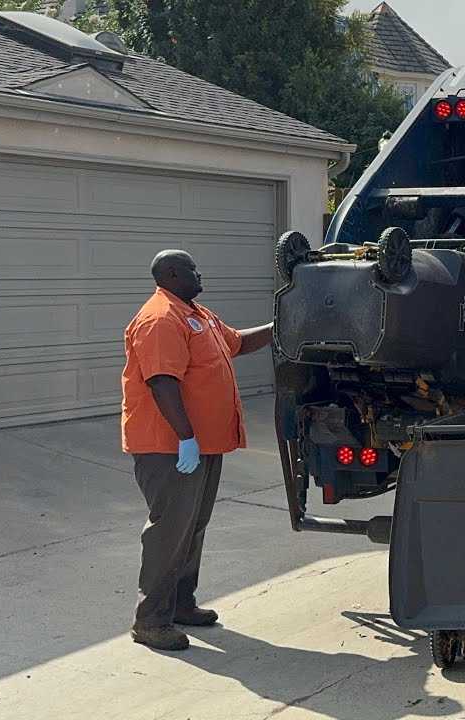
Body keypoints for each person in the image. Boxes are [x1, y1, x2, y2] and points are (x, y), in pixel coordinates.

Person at [120, 249, 273, 651]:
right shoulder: (159, 319)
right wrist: (186, 437)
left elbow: (238, 343)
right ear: (171, 274)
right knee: (169, 531)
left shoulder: (197, 314)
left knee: (193, 527)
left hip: (201, 445)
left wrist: (285, 320)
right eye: (192, 268)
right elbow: (161, 382)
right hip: (169, 446)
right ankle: (150, 621)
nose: (199, 273)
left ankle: (181, 604)